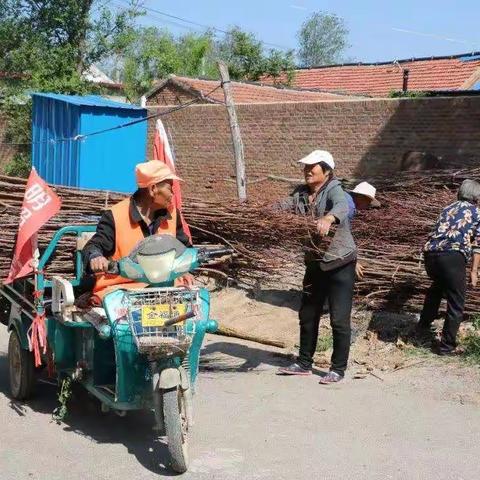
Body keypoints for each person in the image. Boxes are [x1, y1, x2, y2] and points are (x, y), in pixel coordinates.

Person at [278, 150, 357, 384]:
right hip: (314, 263)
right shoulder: (301, 194)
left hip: (340, 262)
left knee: (339, 318)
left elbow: (343, 206)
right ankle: (303, 363)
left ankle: (338, 368)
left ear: (327, 171)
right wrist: (257, 213)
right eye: (305, 167)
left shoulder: (334, 189)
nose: (307, 171)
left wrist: (329, 218)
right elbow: (283, 206)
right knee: (308, 314)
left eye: (312, 167)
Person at [82, 160, 193, 300]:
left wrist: (186, 270)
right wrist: (96, 257)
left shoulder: (173, 214)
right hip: (123, 292)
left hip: (167, 290)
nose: (172, 193)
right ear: (153, 189)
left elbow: (186, 249)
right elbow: (94, 246)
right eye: (169, 187)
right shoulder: (115, 216)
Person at [417, 179, 480, 355]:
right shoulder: (476, 212)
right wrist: (474, 271)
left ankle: (422, 326)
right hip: (451, 257)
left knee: (437, 288)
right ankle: (446, 347)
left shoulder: (447, 208)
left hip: (431, 255)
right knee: (456, 302)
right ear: (476, 196)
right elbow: (478, 245)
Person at [345, 181, 381, 278]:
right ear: (360, 197)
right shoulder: (349, 207)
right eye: (368, 202)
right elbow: (342, 234)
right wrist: (352, 261)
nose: (367, 206)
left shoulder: (345, 198)